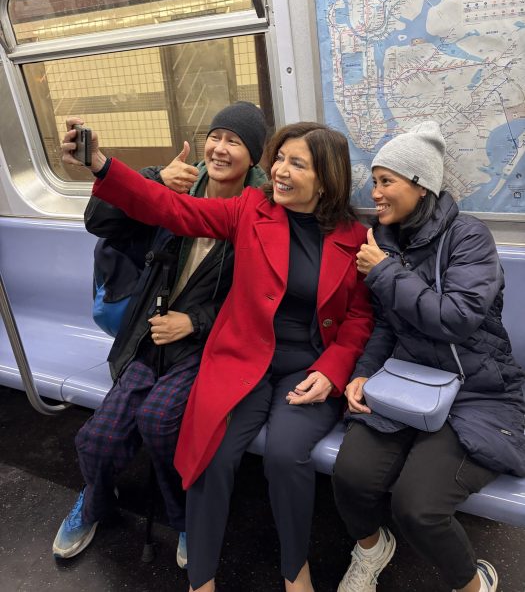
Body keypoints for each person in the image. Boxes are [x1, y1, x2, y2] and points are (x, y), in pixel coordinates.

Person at [61, 120, 374, 592]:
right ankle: (201, 579)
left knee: (287, 457)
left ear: (327, 178)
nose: (280, 172)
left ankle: (295, 571)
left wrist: (331, 372)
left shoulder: (355, 237)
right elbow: (170, 208)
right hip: (244, 359)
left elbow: (357, 320)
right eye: (280, 159)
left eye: (296, 164)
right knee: (214, 450)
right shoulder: (252, 209)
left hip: (308, 368)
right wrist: (101, 165)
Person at [52, 101, 268, 564]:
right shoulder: (179, 180)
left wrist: (196, 321)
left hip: (204, 346)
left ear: (254, 157)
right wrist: (152, 179)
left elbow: (258, 298)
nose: (220, 148)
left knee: (160, 424)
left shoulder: (261, 211)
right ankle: (95, 498)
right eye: (216, 136)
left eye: (235, 141)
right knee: (96, 440)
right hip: (150, 334)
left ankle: (187, 516)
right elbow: (101, 222)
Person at [331, 121, 525, 592]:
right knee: (350, 477)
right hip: (406, 384)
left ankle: (473, 583)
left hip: (477, 392)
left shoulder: (468, 236)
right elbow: (384, 326)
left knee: (417, 507)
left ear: (420, 185)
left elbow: (458, 317)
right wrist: (361, 375)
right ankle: (373, 550)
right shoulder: (385, 239)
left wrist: (384, 272)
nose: (374, 194)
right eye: (373, 182)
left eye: (386, 182)